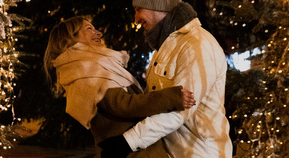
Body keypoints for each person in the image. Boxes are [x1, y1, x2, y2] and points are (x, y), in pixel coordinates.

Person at [99, 0, 232, 158]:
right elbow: (158, 101)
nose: (136, 18)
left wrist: (128, 141)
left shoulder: (196, 44)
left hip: (198, 153)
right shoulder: (166, 47)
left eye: (139, 9)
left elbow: (181, 109)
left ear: (158, 5)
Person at [44, 16, 196, 158]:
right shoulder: (86, 74)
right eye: (89, 29)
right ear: (69, 39)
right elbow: (124, 105)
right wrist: (171, 97)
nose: (98, 33)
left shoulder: (90, 69)